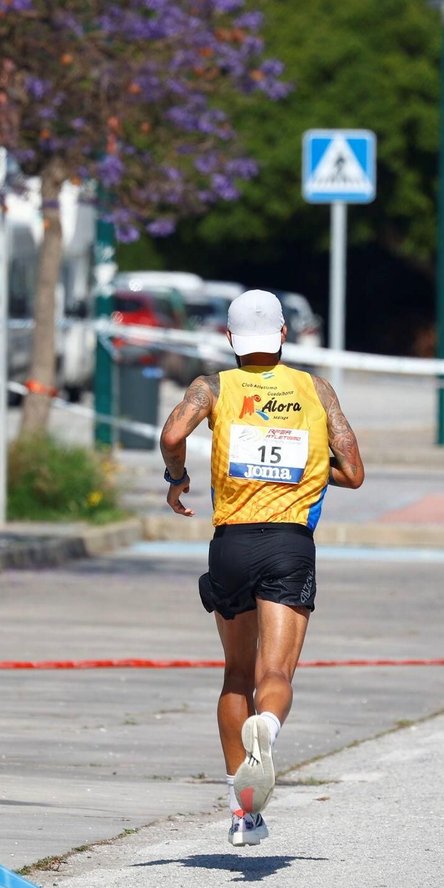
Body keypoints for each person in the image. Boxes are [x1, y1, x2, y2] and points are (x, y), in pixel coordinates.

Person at [159, 290, 365, 847]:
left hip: (229, 544)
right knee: (275, 677)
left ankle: (241, 812)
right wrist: (303, 469)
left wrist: (176, 478)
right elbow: (354, 471)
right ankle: (267, 730)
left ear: (229, 339)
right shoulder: (314, 389)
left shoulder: (214, 387)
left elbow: (174, 434)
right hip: (288, 545)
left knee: (235, 674)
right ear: (282, 335)